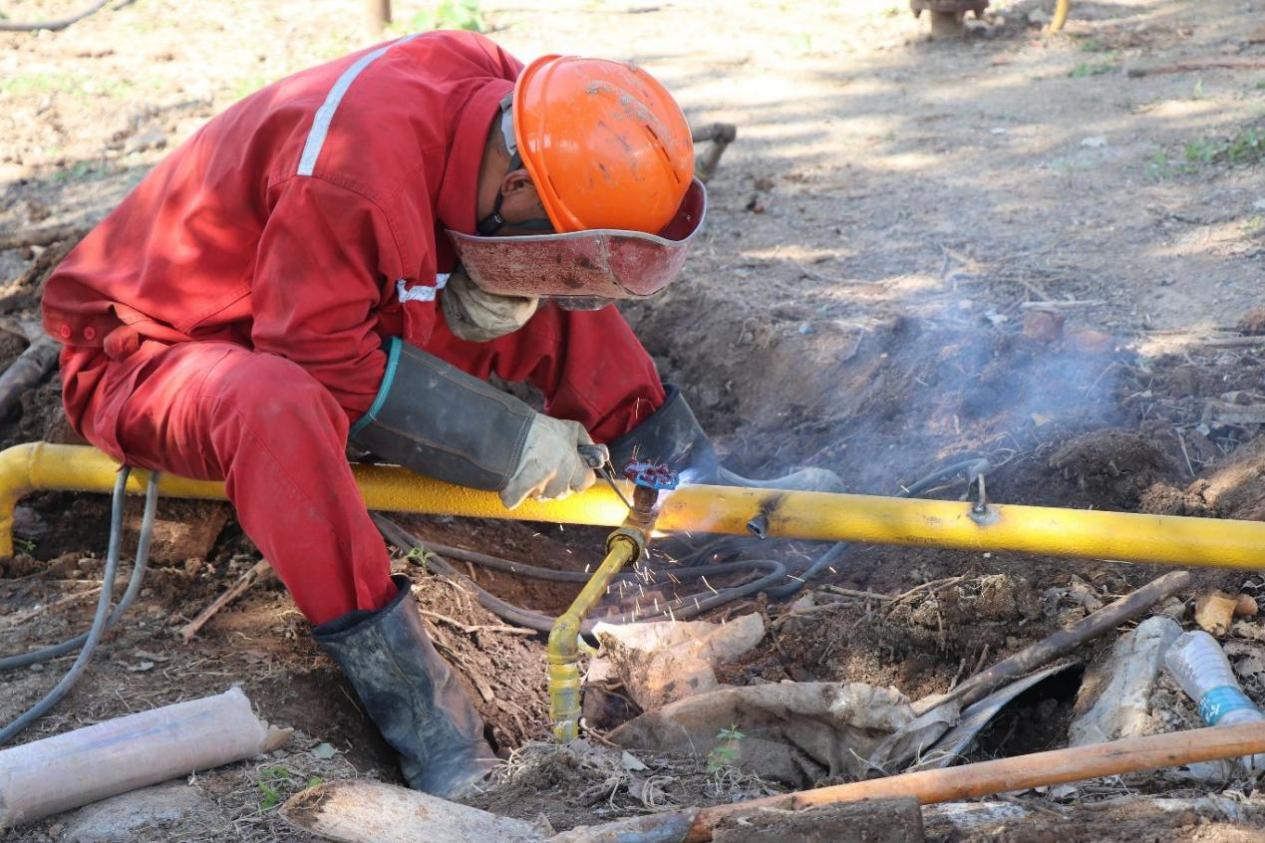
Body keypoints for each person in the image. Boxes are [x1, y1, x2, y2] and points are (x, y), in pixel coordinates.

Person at [41, 30, 834, 797]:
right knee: (276, 405)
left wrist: (498, 270)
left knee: (544, 271)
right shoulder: (351, 180)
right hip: (149, 351)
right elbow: (310, 357)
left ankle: (699, 495)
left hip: (308, 298)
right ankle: (423, 716)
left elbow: (371, 299)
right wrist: (507, 441)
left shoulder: (510, 105)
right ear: (515, 186)